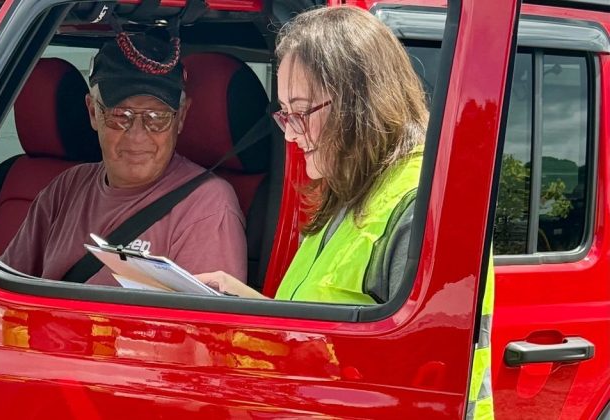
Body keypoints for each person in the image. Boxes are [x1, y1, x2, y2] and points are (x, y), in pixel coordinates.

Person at [193, 6, 494, 419]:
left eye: (302, 112)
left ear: (359, 101)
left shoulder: (422, 206)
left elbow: (412, 379)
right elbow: (322, 326)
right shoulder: (350, 190)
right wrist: (239, 299)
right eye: (284, 113)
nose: (291, 134)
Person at [1, 33, 247, 287]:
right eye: (120, 115)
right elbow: (2, 288)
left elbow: (200, 325)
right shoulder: (66, 188)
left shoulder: (207, 207)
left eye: (156, 117)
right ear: (93, 112)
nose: (138, 136)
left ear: (181, 117)